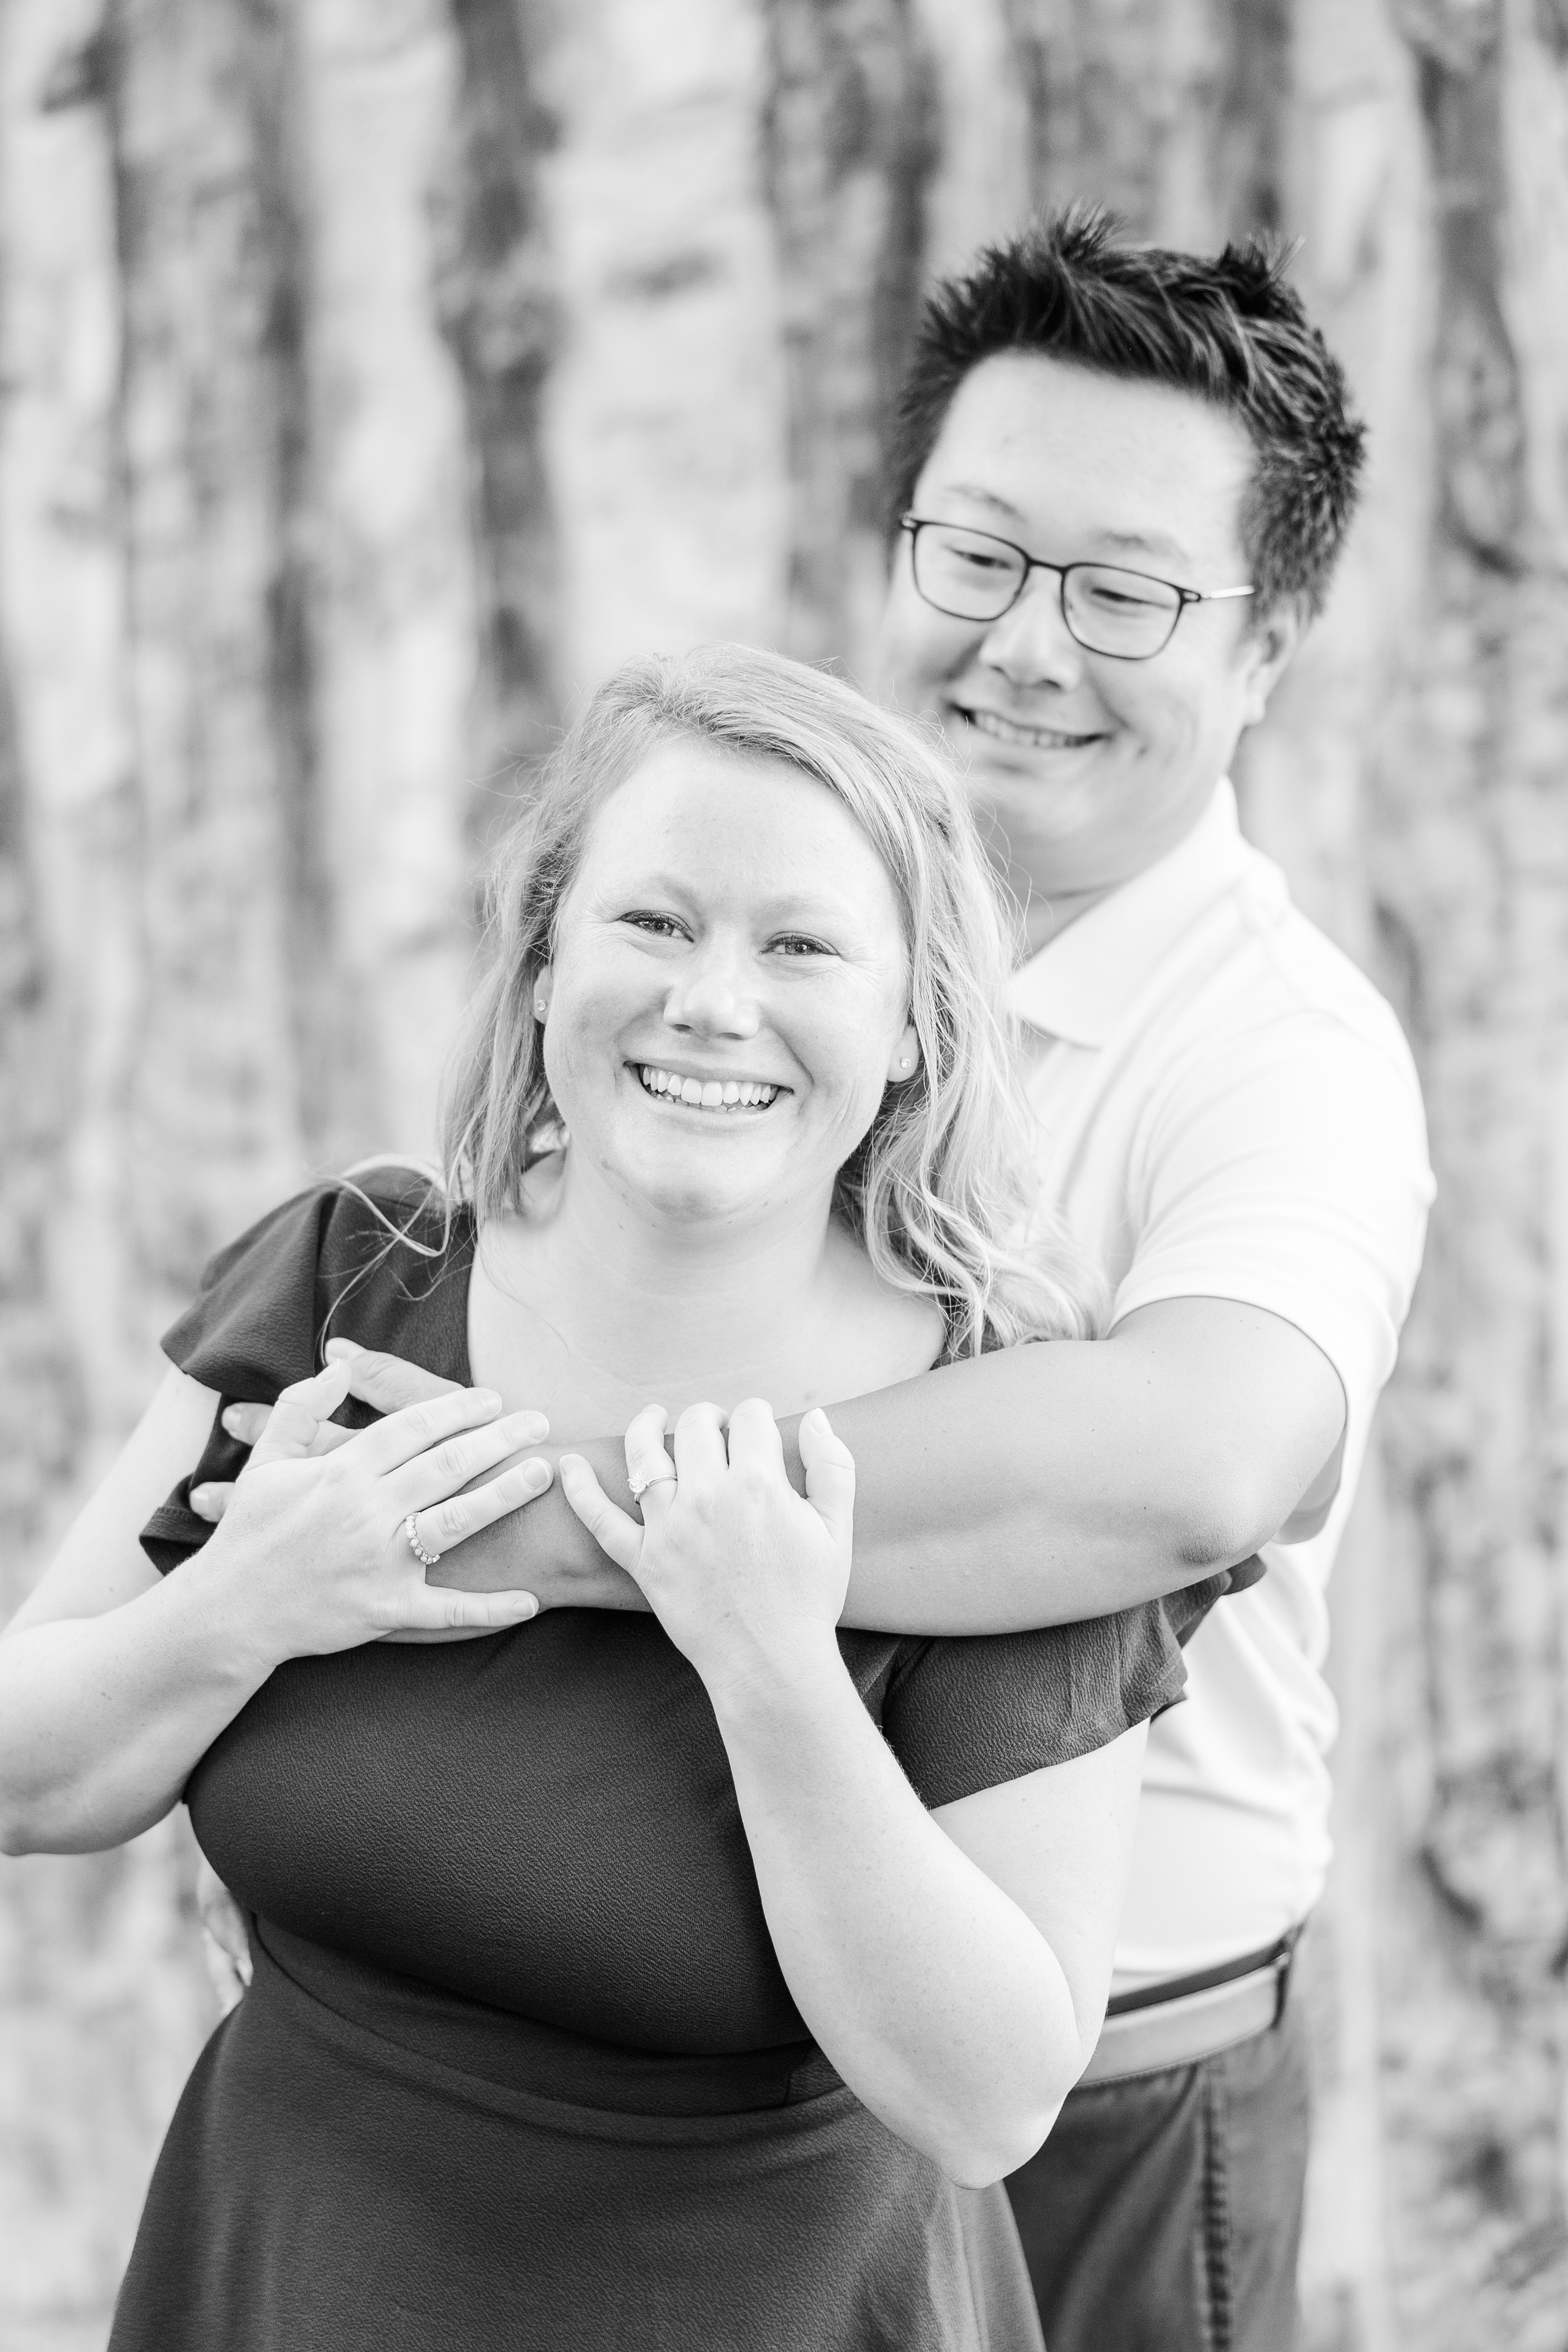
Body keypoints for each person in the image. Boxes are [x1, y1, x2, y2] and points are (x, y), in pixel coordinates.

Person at [206, 213, 1431, 2350]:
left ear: (1268, 638)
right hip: (667, 2045)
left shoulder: (1280, 1055)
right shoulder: (767, 922)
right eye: (973, 555)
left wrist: (551, 1518)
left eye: (1124, 592)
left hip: (1099, 2078)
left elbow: (1186, 1469)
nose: (1025, 646)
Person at [0, 646, 1222, 2351]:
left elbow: (990, 2097)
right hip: (288, 2271)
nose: (713, 1002)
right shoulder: (355, 1282)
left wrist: (768, 1660)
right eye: (654, 922)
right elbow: (25, 1773)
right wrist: (241, 1603)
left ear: (913, 1027)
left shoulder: (996, 1428)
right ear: (545, 956)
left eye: (800, 945)